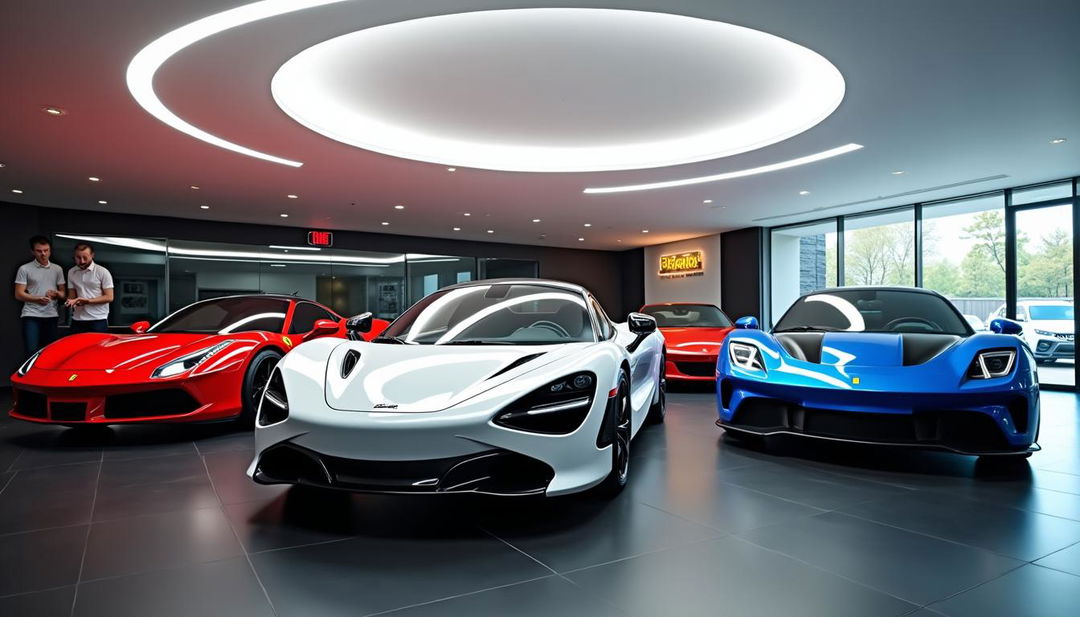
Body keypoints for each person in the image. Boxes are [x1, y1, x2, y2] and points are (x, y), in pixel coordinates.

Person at [14, 235, 66, 355]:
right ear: (32, 251)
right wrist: (37, 299)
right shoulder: (24, 269)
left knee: (50, 353)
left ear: (50, 251)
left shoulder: (57, 269)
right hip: (31, 315)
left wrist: (56, 293)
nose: (43, 254)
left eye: (46, 250)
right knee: (31, 353)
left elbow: (63, 295)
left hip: (51, 315)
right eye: (39, 251)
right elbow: (18, 294)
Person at [65, 242, 114, 334]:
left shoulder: (102, 271)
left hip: (98, 319)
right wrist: (70, 302)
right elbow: (72, 296)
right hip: (77, 319)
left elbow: (109, 297)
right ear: (74, 256)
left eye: (85, 257)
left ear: (92, 255)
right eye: (78, 258)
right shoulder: (71, 272)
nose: (82, 261)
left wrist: (87, 301)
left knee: (98, 348)